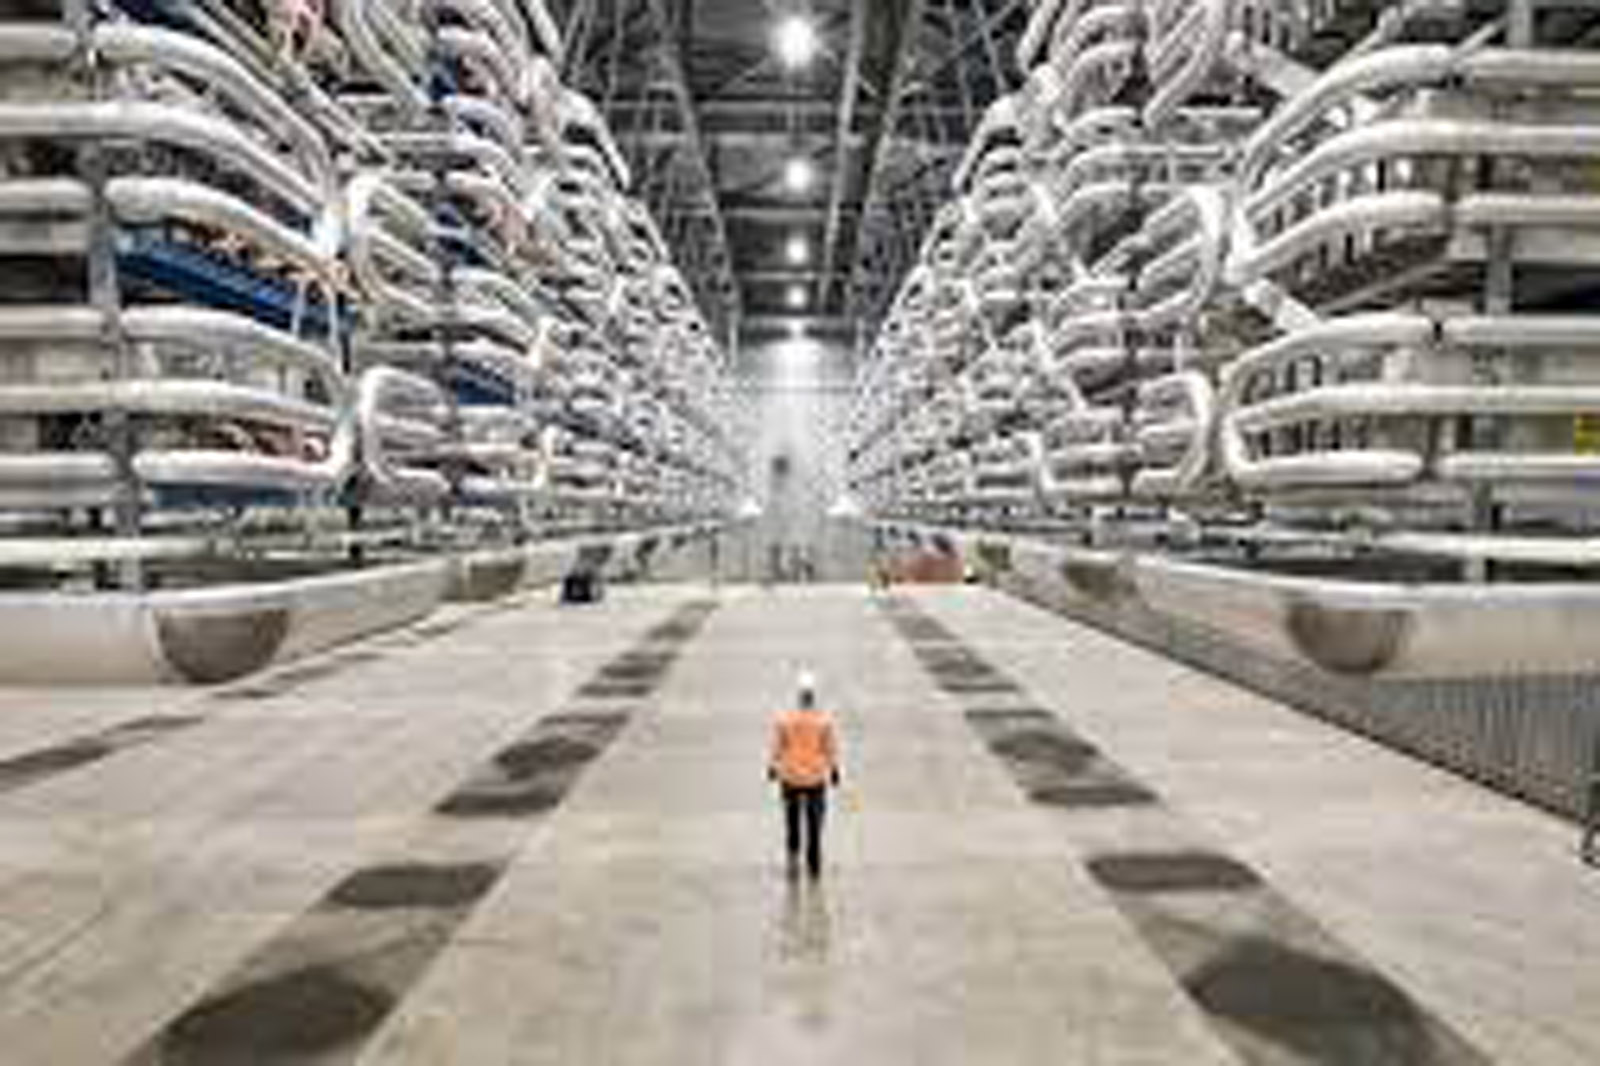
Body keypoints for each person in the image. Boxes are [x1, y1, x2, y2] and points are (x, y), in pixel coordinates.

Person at [768, 671, 841, 878]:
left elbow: (778, 746)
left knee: (792, 820)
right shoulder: (823, 721)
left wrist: (773, 767)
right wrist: (834, 769)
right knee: (814, 821)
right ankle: (814, 859)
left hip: (790, 776)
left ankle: (792, 858)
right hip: (815, 777)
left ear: (799, 697)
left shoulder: (785, 720)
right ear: (813, 697)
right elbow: (830, 748)